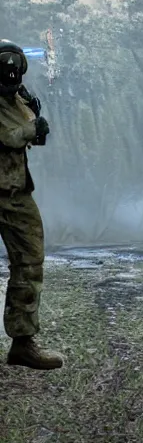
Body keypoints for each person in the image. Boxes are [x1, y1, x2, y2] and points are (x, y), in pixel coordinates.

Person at [0, 39, 63, 370]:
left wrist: (36, 127)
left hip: (14, 191)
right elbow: (9, 135)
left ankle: (23, 343)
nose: (11, 71)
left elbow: (27, 134)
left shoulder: (19, 97)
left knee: (29, 262)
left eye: (15, 65)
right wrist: (30, 128)